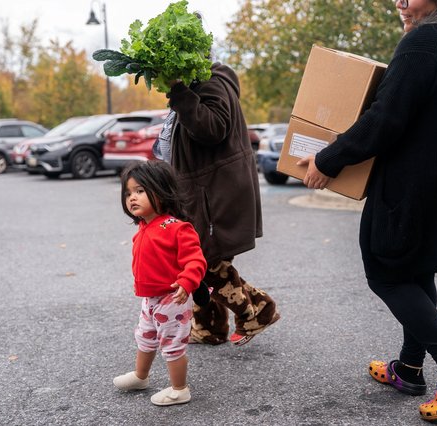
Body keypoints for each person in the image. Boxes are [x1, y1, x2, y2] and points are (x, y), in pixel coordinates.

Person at [298, 0, 437, 421]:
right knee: (414, 270)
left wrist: (327, 160)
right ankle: (408, 368)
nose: (401, 2)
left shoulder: (425, 42)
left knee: (385, 272)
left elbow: (385, 118)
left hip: (416, 190)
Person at [155, 47, 280, 347]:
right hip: (202, 190)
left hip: (212, 192)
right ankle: (209, 327)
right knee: (196, 259)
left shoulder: (211, 81)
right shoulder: (201, 83)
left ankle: (259, 308)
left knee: (203, 262)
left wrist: (179, 91)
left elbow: (213, 128)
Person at [113, 160, 207, 406]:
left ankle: (179, 389)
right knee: (145, 338)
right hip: (150, 299)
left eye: (140, 191)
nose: (132, 197)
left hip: (173, 299)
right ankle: (140, 376)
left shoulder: (177, 228)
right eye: (128, 193)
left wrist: (186, 282)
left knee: (172, 345)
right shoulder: (144, 227)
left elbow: (196, 260)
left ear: (162, 191)